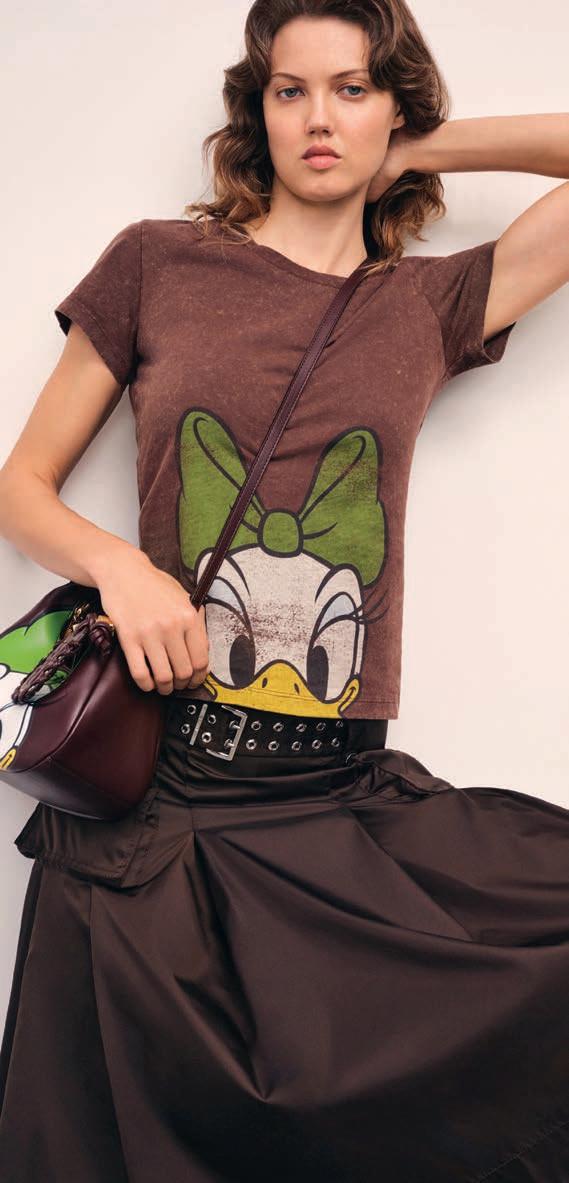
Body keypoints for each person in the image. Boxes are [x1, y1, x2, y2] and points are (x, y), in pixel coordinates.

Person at [0, 1, 568, 1179]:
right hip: (159, 802)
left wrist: (417, 147)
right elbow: (21, 487)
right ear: (253, 111)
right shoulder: (156, 262)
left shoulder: (427, 305)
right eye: (290, 89)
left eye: (351, 89)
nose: (318, 117)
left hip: (332, 799)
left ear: (392, 107)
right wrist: (121, 567)